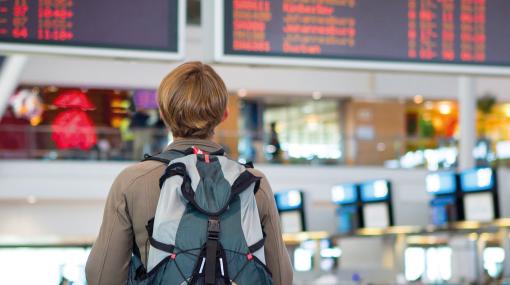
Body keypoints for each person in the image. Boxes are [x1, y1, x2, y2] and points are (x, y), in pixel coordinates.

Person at [85, 62, 293, 284]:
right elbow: (281, 277)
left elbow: (100, 277)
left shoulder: (133, 182)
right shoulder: (254, 183)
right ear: (224, 114)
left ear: (164, 114)